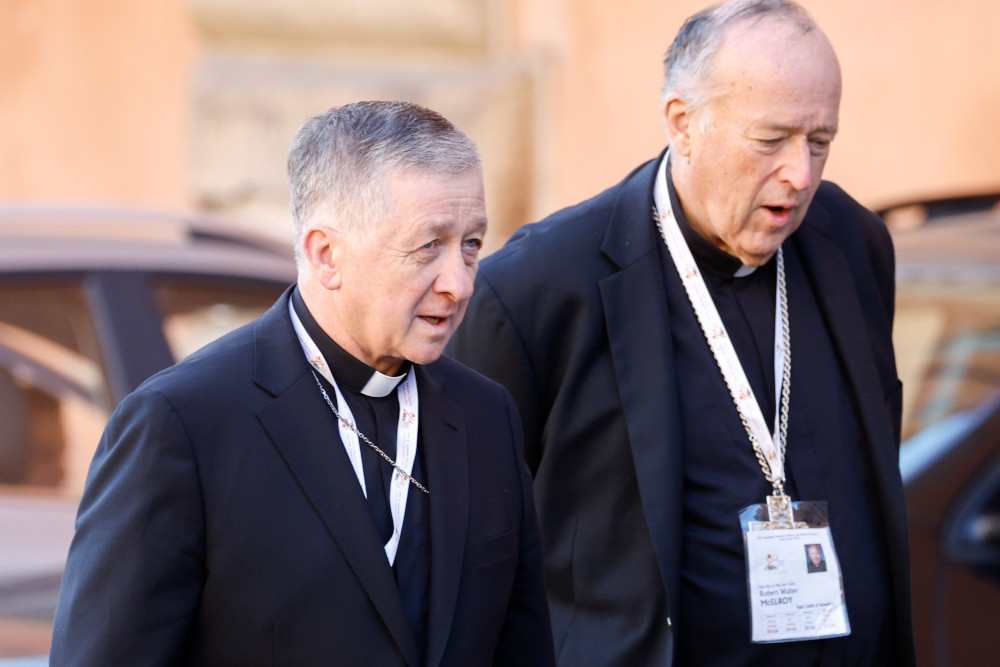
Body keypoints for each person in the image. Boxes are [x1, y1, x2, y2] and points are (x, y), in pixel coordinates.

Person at [447, 1, 915, 664]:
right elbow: (467, 555)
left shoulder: (854, 244)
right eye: (771, 139)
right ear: (684, 123)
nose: (801, 174)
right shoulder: (537, 290)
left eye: (820, 141)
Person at [50, 101, 554, 666]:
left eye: (471, 244)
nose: (459, 284)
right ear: (326, 255)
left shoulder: (486, 414)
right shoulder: (183, 424)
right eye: (428, 246)